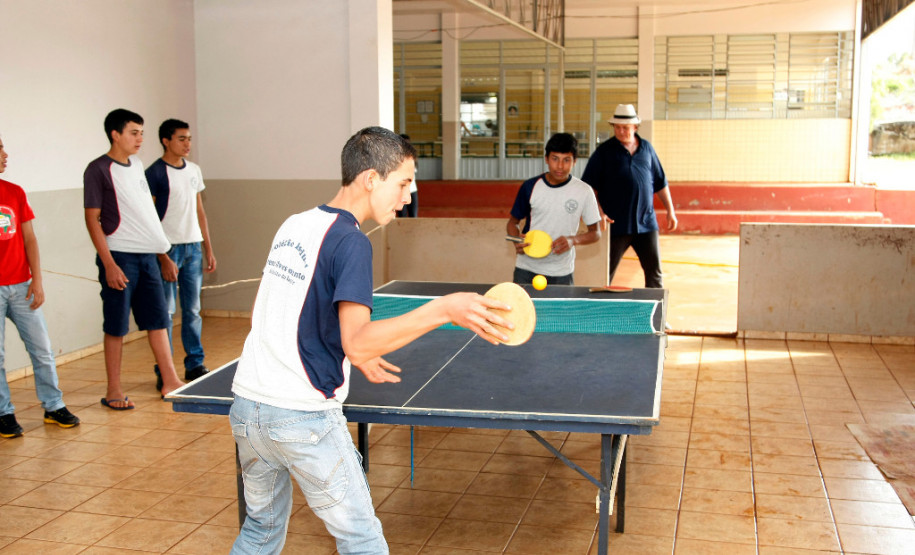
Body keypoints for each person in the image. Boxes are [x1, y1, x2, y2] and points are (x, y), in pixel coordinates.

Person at [229, 126, 514, 554]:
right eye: (402, 183)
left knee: (259, 533)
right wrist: (443, 309)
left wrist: (346, 347)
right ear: (370, 179)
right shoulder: (351, 242)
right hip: (301, 418)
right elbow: (358, 342)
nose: (408, 196)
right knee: (363, 542)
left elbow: (284, 310)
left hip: (248, 410)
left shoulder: (296, 223)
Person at [83, 108, 184, 410]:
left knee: (158, 320)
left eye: (141, 132)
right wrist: (110, 263)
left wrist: (163, 254)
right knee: (116, 325)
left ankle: (170, 379)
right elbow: (92, 219)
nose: (140, 138)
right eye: (134, 132)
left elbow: (145, 214)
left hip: (148, 258)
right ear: (116, 134)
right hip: (120, 256)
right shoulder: (98, 169)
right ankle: (113, 389)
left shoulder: (137, 165)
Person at [0, 135, 80, 437]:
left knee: (43, 350)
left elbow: (29, 238)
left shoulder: (14, 192)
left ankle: (53, 405)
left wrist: (38, 280)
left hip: (22, 286)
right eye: (0, 149)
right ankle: (3, 413)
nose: (5, 155)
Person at [146, 119, 216, 389]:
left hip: (193, 247)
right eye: (181, 139)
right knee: (165, 311)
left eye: (189, 139)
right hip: (168, 248)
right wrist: (162, 254)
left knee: (193, 310)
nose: (187, 144)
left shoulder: (194, 170)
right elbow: (149, 217)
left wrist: (208, 247)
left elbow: (200, 212)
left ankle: (194, 363)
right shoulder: (154, 173)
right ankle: (164, 369)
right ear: (166, 141)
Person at [581, 104, 678, 288]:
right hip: (616, 225)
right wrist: (599, 212)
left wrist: (670, 211)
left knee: (654, 274)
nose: (620, 131)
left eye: (625, 127)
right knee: (605, 274)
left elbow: (660, 182)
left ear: (635, 127)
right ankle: (598, 312)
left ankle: (657, 313)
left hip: (646, 224)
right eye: (617, 127)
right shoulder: (604, 152)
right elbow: (588, 187)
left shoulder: (647, 149)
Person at [506, 133, 601, 285]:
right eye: (555, 159)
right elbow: (512, 223)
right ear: (546, 159)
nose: (560, 166)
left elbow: (596, 233)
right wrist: (517, 240)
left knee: (561, 310)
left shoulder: (584, 191)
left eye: (566, 160)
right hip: (526, 268)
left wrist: (573, 240)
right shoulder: (530, 186)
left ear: (575, 161)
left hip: (561, 272)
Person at [395, 133, 418, 217]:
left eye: (408, 143)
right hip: (400, 191)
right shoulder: (395, 158)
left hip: (413, 190)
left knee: (413, 216)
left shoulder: (413, 157)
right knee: (402, 216)